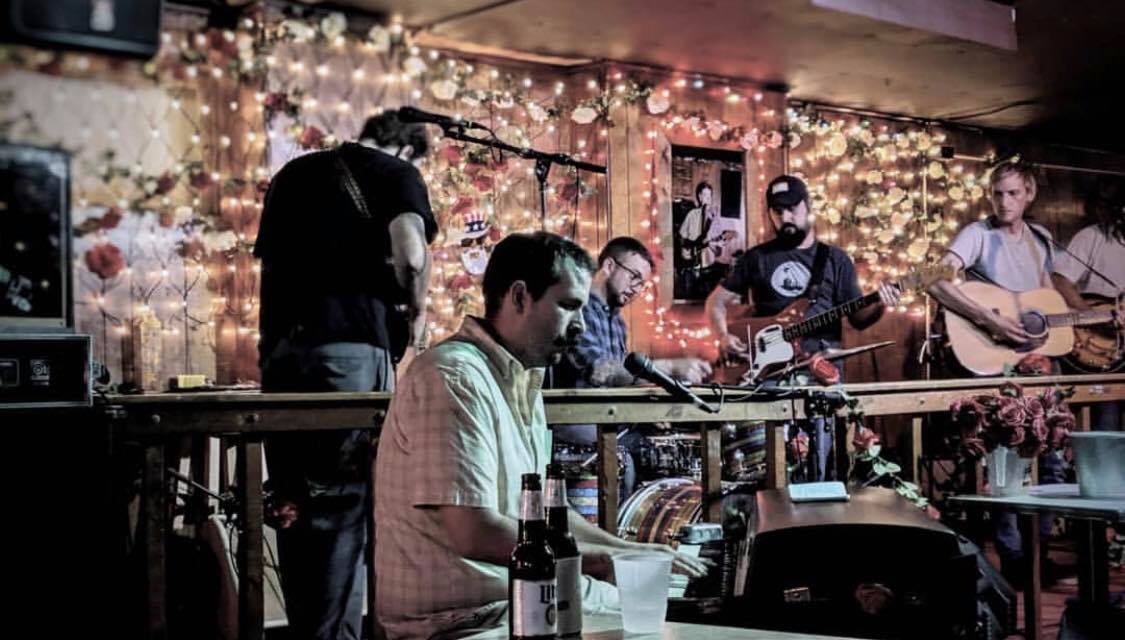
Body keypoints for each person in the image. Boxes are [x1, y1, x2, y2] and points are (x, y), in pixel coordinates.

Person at [375, 232, 710, 639]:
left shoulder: (522, 377)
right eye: (568, 306)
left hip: (527, 597)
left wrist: (631, 551)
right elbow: (474, 531)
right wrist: (604, 562)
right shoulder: (453, 375)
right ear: (519, 297)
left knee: (692, 613)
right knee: (680, 626)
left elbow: (549, 515)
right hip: (467, 618)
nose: (580, 326)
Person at [253, 109, 437, 640]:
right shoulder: (396, 172)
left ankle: (310, 631)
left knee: (295, 506)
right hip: (348, 354)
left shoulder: (293, 174)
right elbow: (412, 257)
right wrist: (418, 315)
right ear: (407, 149)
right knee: (343, 506)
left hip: (281, 357)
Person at [926, 160, 1067, 586]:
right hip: (998, 363)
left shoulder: (1041, 238)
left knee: (1052, 459)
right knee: (1005, 464)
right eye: (997, 194)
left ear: (1029, 195)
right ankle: (1013, 558)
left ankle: (1040, 555)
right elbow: (932, 279)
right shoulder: (977, 234)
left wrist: (1087, 319)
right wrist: (989, 319)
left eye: (1012, 194)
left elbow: (1046, 298)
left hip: (1039, 363)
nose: (1004, 202)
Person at [705, 174, 898, 481]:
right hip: (769, 375)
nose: (785, 217)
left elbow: (858, 319)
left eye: (792, 208)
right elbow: (715, 302)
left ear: (808, 206)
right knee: (773, 465)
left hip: (821, 373)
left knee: (823, 460)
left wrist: (881, 303)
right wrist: (723, 335)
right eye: (777, 211)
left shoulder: (835, 259)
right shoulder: (757, 258)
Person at [550, 237, 712, 498]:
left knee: (674, 446)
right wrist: (669, 366)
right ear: (609, 266)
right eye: (634, 276)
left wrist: (652, 405)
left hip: (610, 419)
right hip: (574, 422)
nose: (636, 289)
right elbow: (599, 371)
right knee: (639, 456)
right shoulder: (579, 309)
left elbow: (623, 377)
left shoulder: (617, 322)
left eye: (642, 284)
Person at [1051, 177, 1125, 430]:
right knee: (1107, 414)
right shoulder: (1092, 236)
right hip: (1098, 343)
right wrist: (1089, 315)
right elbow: (1061, 280)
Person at [678, 182, 729, 296]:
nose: (707, 199)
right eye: (705, 195)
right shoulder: (691, 214)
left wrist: (718, 243)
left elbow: (718, 243)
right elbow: (682, 238)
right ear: (700, 197)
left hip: (708, 264)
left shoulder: (715, 218)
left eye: (709, 196)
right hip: (692, 262)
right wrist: (688, 249)